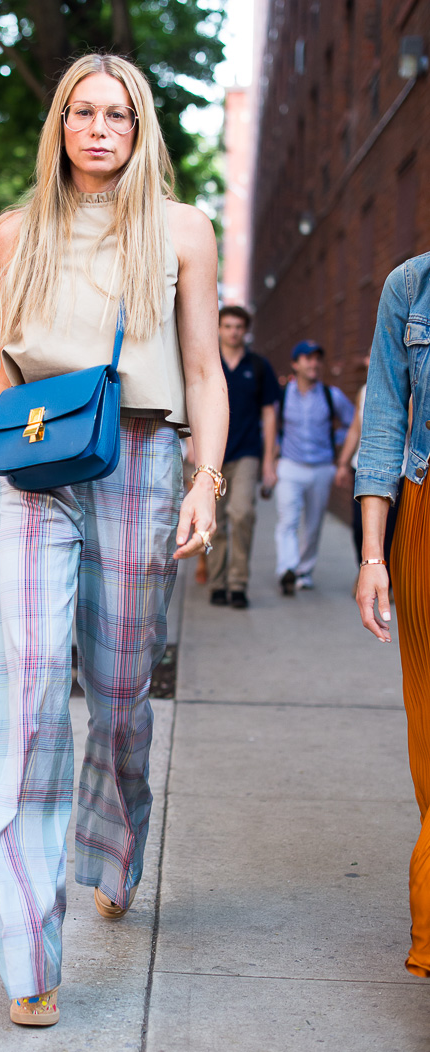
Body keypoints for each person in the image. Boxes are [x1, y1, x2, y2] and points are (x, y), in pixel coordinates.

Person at [0, 53, 228, 1027]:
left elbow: (204, 368)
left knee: (120, 691)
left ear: (139, 129)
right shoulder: (13, 231)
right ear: (60, 125)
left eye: (116, 115)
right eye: (81, 113)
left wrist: (205, 480)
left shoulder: (178, 230)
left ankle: (114, 839)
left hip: (139, 464)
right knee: (31, 689)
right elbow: (8, 370)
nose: (97, 129)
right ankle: (28, 952)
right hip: (37, 469)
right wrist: (0, 470)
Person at [355, 251, 430, 979]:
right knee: (427, 735)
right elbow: (383, 418)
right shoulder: (410, 287)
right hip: (422, 519)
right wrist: (373, 555)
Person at [207, 305, 279, 609]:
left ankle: (237, 583)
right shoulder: (209, 364)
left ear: (245, 330)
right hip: (214, 454)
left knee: (242, 514)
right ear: (219, 329)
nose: (234, 331)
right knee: (215, 522)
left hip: (248, 452)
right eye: (228, 326)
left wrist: (269, 461)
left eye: (239, 326)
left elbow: (270, 413)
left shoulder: (258, 366)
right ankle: (217, 583)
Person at [275, 340, 354, 595]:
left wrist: (334, 443)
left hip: (321, 467)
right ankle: (287, 568)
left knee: (313, 523)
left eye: (317, 358)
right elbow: (268, 425)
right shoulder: (283, 395)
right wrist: (275, 452)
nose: (314, 363)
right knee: (288, 520)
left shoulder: (332, 396)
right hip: (289, 466)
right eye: (307, 358)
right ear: (295, 364)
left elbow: (353, 423)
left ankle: (304, 571)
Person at [334, 352, 402, 576]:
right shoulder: (364, 391)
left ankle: (389, 580)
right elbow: (355, 428)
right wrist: (343, 463)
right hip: (362, 468)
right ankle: (365, 572)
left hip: (397, 472)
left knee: (390, 531)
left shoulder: (405, 389)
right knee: (358, 528)